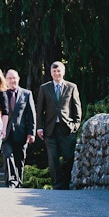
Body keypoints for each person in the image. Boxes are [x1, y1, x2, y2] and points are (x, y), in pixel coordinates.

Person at [35, 61, 82, 190]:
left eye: (58, 71)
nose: (56, 73)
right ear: (50, 73)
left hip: (66, 128)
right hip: (50, 129)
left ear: (63, 72)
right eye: (54, 71)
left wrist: (75, 125)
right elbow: (40, 110)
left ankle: (66, 182)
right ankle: (57, 185)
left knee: (68, 157)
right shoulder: (45, 88)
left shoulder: (71, 87)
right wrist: (39, 127)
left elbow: (77, 107)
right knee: (53, 157)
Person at [1, 69, 36, 188]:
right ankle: (11, 182)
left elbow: (31, 115)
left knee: (19, 159)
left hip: (21, 133)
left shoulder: (27, 94)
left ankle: (18, 183)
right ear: (6, 80)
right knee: (8, 156)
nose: (12, 81)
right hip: (5, 132)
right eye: (9, 78)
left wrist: (32, 133)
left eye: (14, 78)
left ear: (18, 78)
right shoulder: (2, 94)